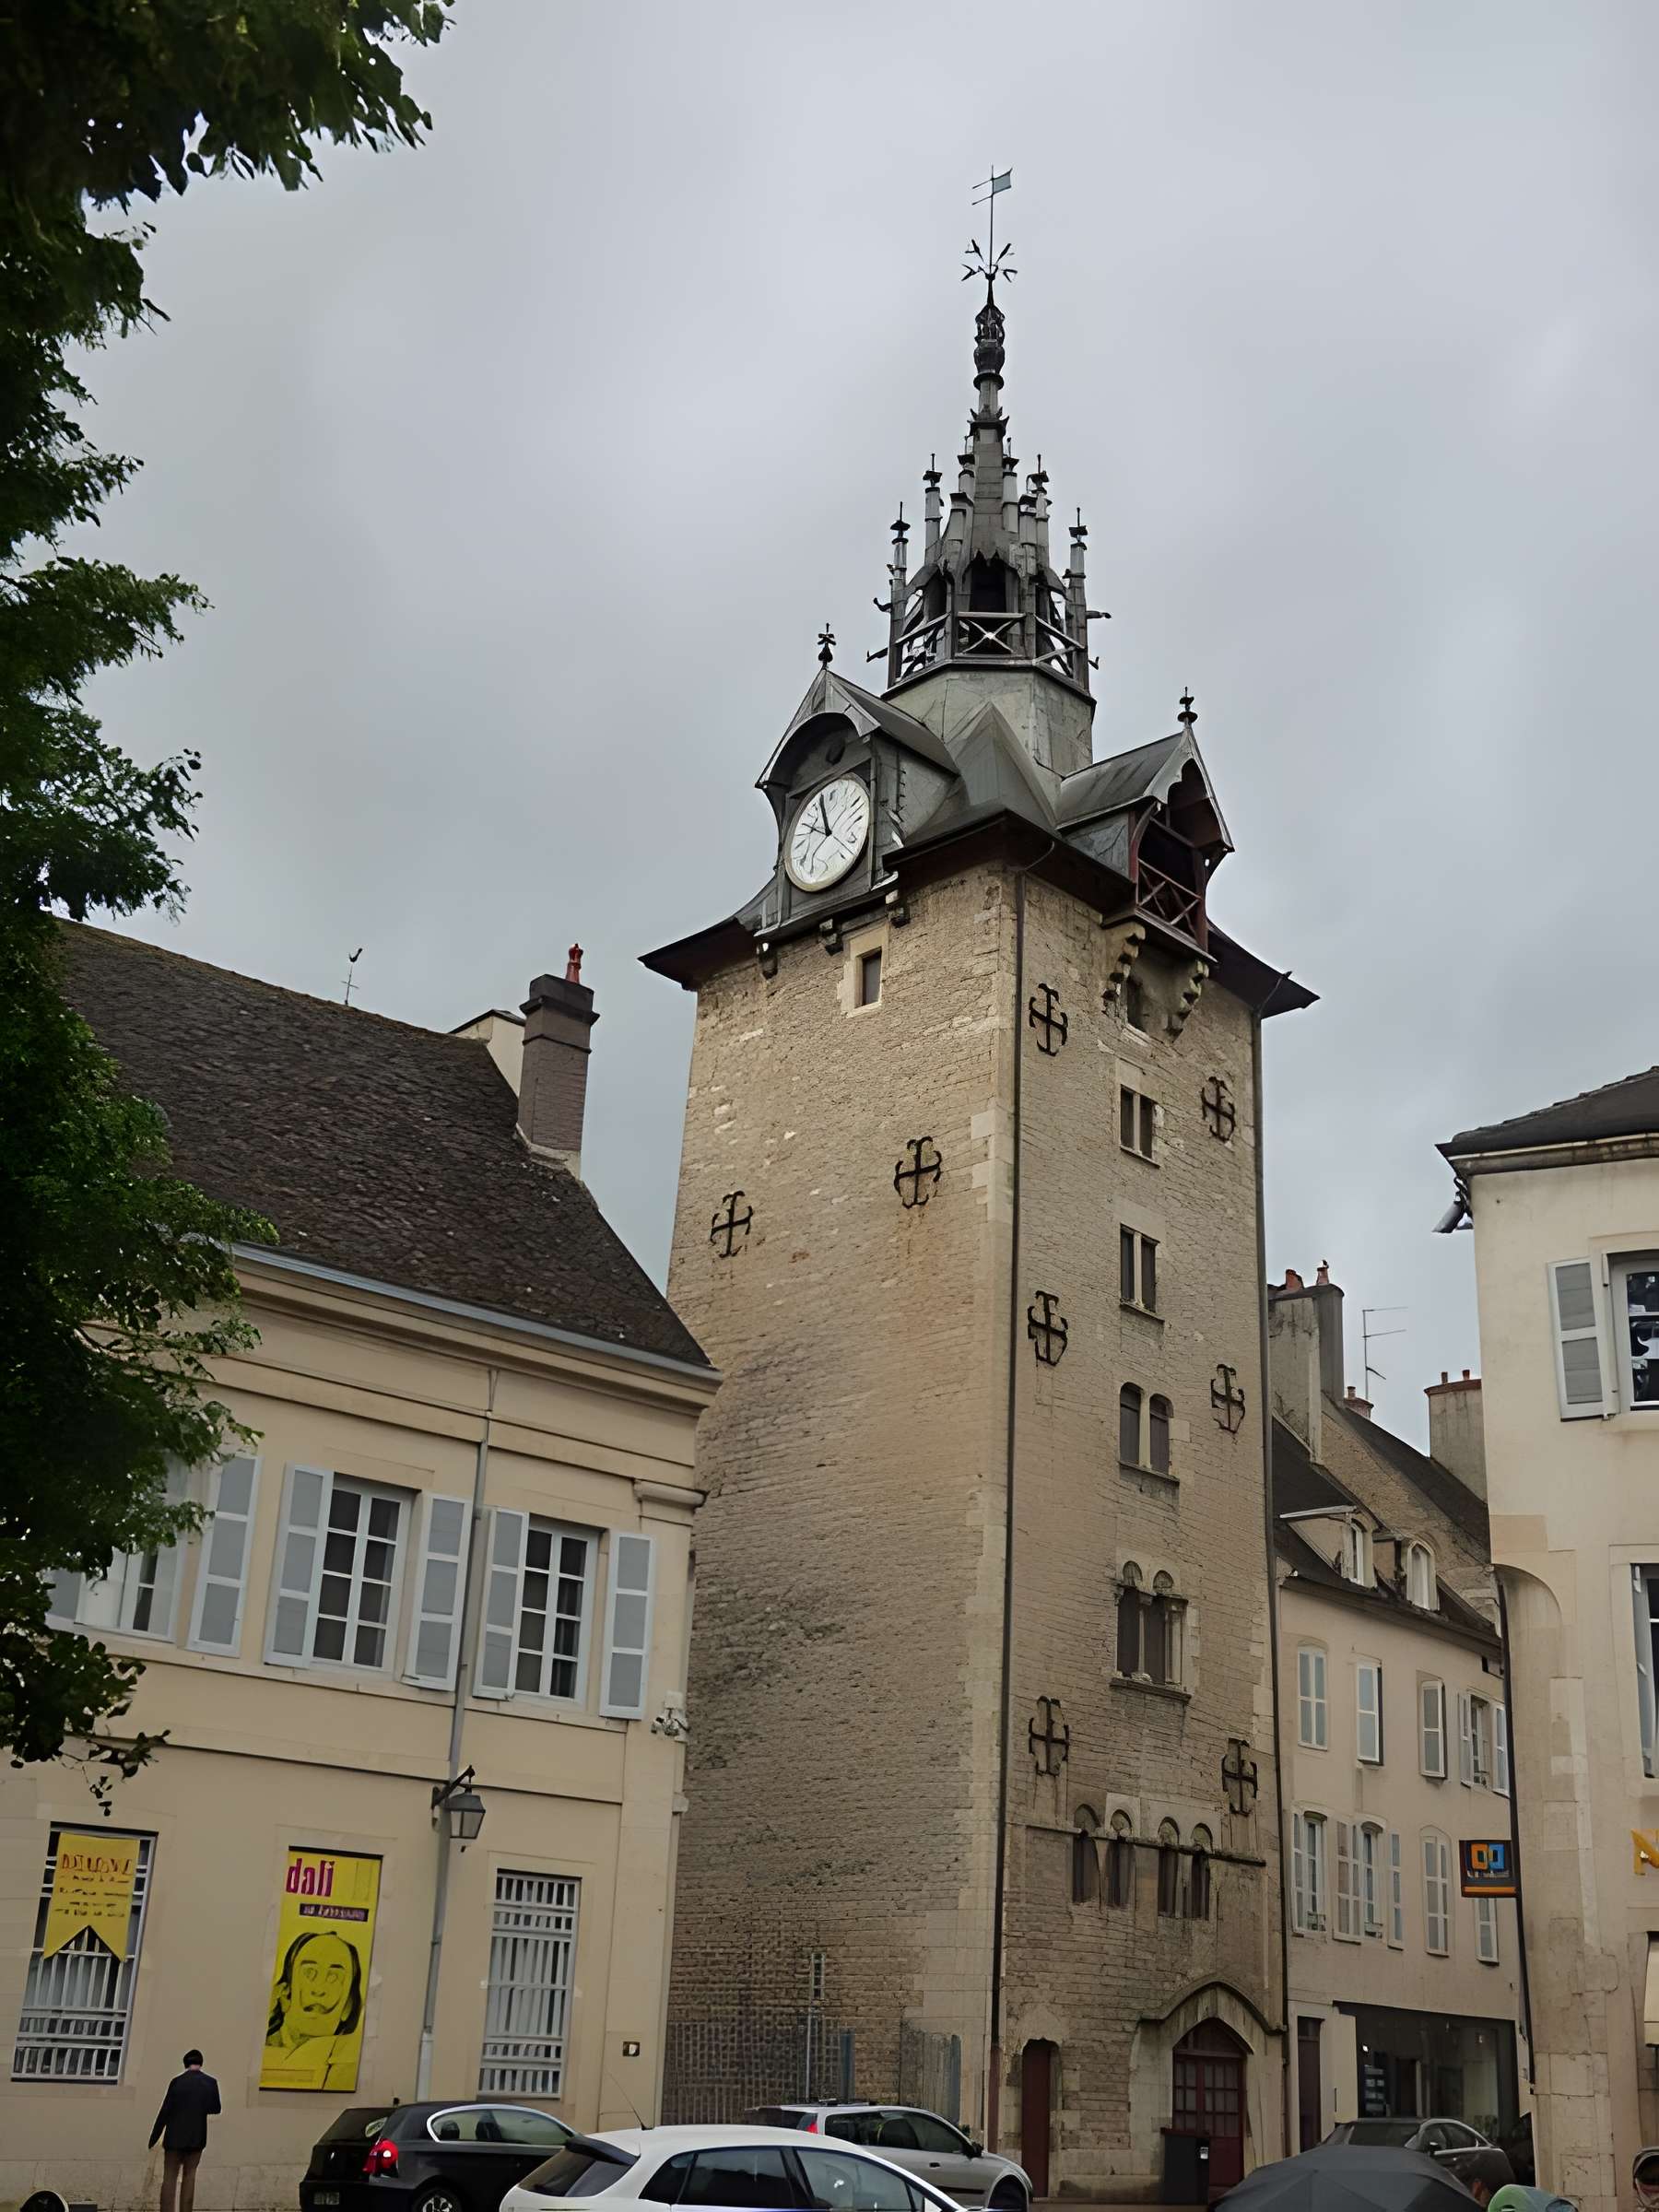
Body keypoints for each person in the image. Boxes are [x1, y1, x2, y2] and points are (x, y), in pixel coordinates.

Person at [262, 1928, 364, 2089]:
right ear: (285, 1992)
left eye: (334, 1977)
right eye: (310, 1973)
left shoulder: (351, 2065)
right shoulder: (263, 2049)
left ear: (349, 2005)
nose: (319, 1989)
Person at [148, 2049, 220, 2212]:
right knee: (190, 2177)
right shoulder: (211, 2082)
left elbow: (165, 2110)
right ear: (201, 2063)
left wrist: (154, 2136)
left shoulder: (177, 2082)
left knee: (170, 2178)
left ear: (185, 2063)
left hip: (174, 2138)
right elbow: (216, 2108)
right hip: (197, 2138)